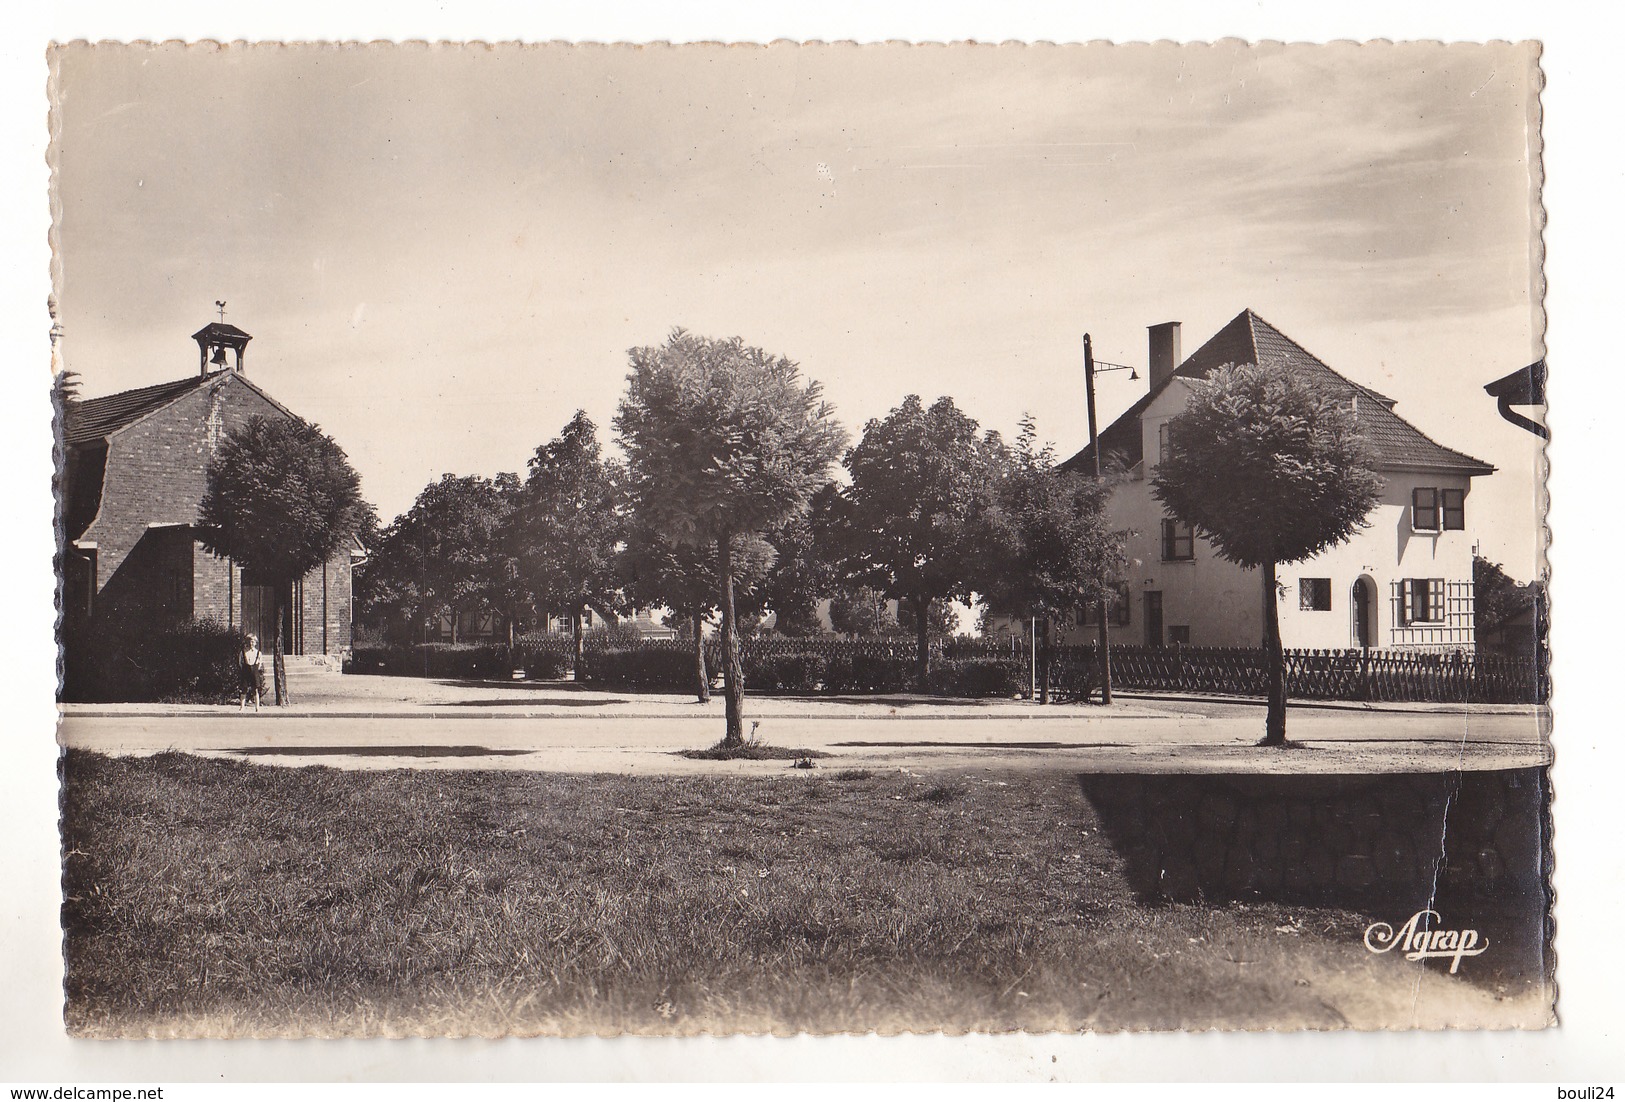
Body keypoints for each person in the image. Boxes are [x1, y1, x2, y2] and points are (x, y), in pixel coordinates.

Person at [238, 632, 262, 712]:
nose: (251, 643)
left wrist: (255, 669)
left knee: (255, 690)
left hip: (254, 672)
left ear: (255, 643)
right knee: (244, 689)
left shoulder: (258, 653)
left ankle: (257, 707)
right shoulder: (243, 652)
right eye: (249, 641)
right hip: (246, 671)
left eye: (253, 642)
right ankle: (242, 707)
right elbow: (240, 663)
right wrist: (245, 668)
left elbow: (259, 663)